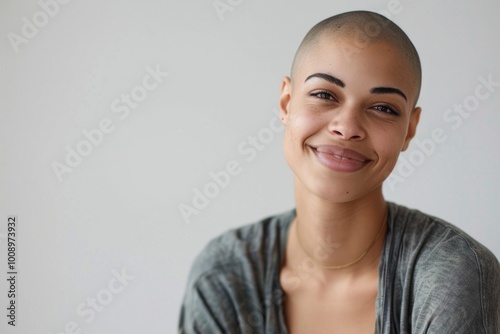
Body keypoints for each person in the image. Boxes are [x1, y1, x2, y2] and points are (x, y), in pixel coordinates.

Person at [178, 10, 500, 334]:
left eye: (383, 108)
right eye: (324, 95)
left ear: (410, 130)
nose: (346, 128)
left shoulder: (453, 275)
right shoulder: (223, 276)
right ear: (286, 102)